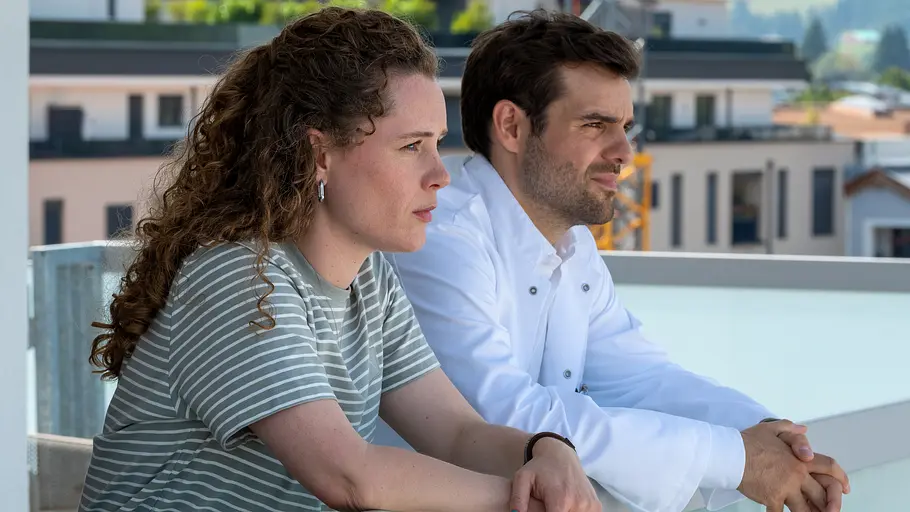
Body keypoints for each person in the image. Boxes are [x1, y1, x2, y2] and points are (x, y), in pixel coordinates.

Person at [77, 7, 602, 512]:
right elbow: (348, 477)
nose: (440, 174)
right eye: (411, 146)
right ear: (320, 154)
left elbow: (458, 434)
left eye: (437, 143)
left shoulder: (370, 280)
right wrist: (528, 499)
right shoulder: (239, 277)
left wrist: (546, 451)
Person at [384, 10, 851, 512]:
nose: (624, 150)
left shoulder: (573, 243)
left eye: (625, 126)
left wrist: (768, 435)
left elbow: (639, 377)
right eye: (595, 124)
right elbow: (501, 413)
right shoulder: (441, 234)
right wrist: (735, 458)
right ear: (512, 126)